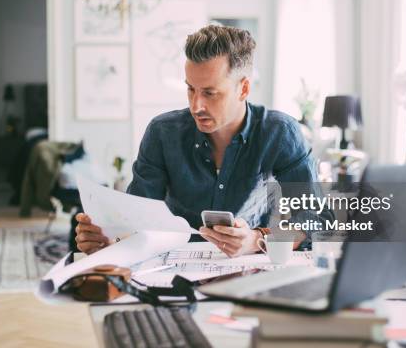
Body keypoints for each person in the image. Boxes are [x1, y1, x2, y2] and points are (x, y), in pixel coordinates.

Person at [75, 24, 331, 256]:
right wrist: (109, 239)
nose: (197, 105)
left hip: (249, 268)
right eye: (191, 89)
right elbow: (137, 218)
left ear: (243, 88)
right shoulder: (162, 133)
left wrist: (257, 239)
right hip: (171, 268)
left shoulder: (281, 132)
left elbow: (316, 221)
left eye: (210, 93)